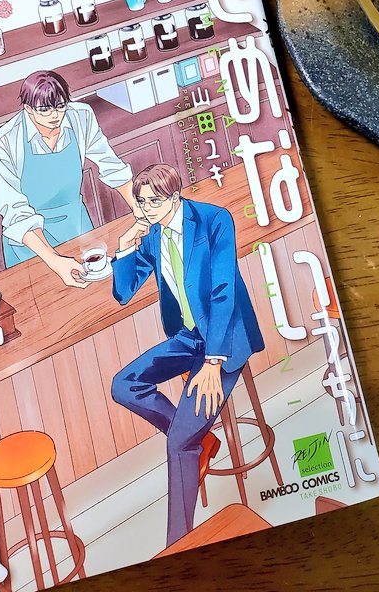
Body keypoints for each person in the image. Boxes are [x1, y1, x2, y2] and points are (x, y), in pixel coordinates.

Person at [110, 163, 264, 547]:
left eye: (153, 202)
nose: (146, 210)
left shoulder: (214, 220)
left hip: (224, 339)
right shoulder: (153, 234)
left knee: (177, 444)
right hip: (187, 338)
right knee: (123, 385)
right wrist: (125, 244)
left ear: (175, 196)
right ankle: (199, 439)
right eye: (141, 203)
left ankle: (178, 546)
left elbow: (224, 291)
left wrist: (213, 362)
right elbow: (124, 292)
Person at [0, 70, 139, 287]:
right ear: (27, 108)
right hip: (31, 244)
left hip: (77, 226)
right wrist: (55, 260)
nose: (54, 115)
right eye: (45, 110)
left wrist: (142, 212)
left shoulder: (80, 116)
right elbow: (16, 213)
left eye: (60, 106)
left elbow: (112, 167)